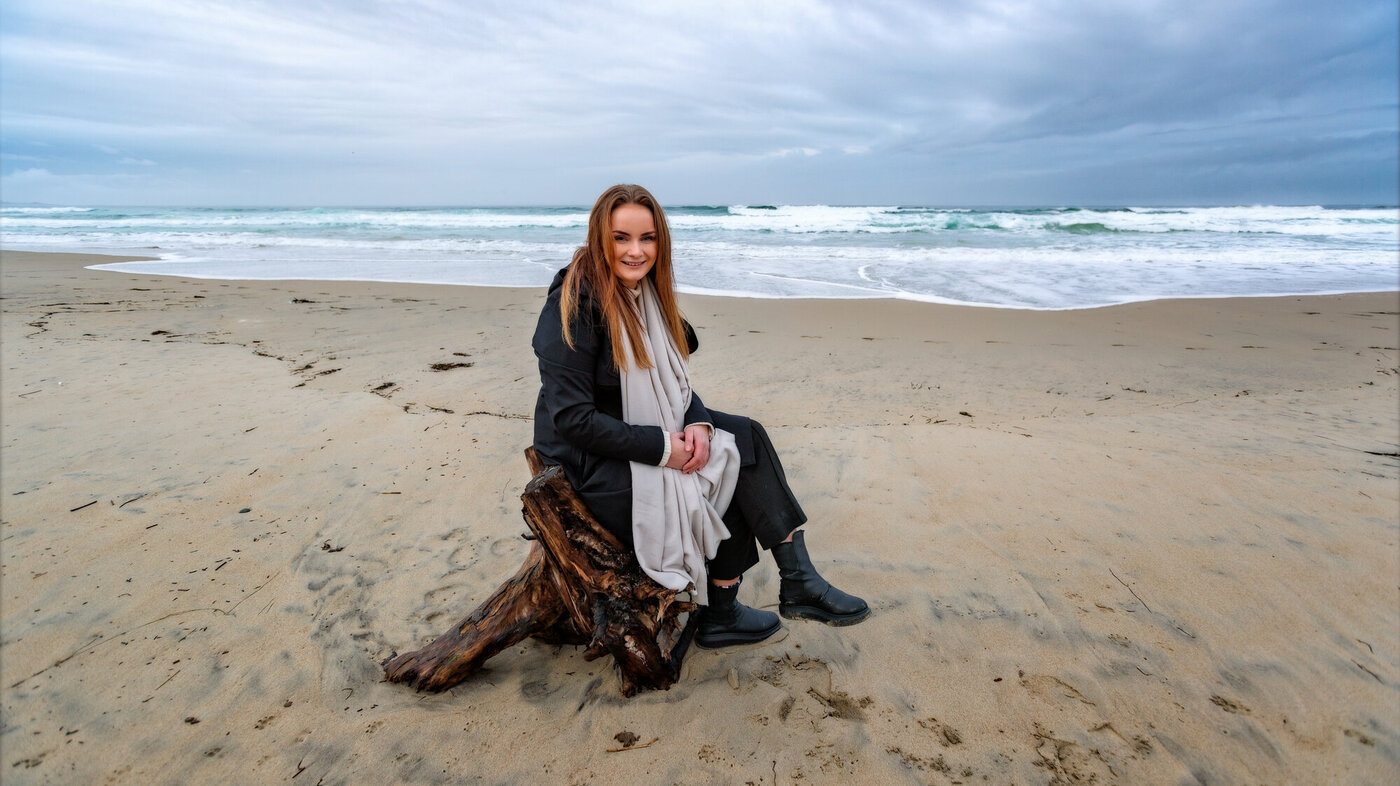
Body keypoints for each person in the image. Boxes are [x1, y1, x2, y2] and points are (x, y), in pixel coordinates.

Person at [531, 184, 868, 648]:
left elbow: (673, 386)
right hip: (587, 467)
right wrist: (668, 449)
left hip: (637, 433)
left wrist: (696, 423)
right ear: (598, 238)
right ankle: (727, 610)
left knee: (740, 436)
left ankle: (796, 577)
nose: (635, 251)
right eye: (620, 237)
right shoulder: (571, 307)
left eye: (647, 238)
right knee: (718, 463)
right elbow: (573, 421)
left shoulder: (642, 297)